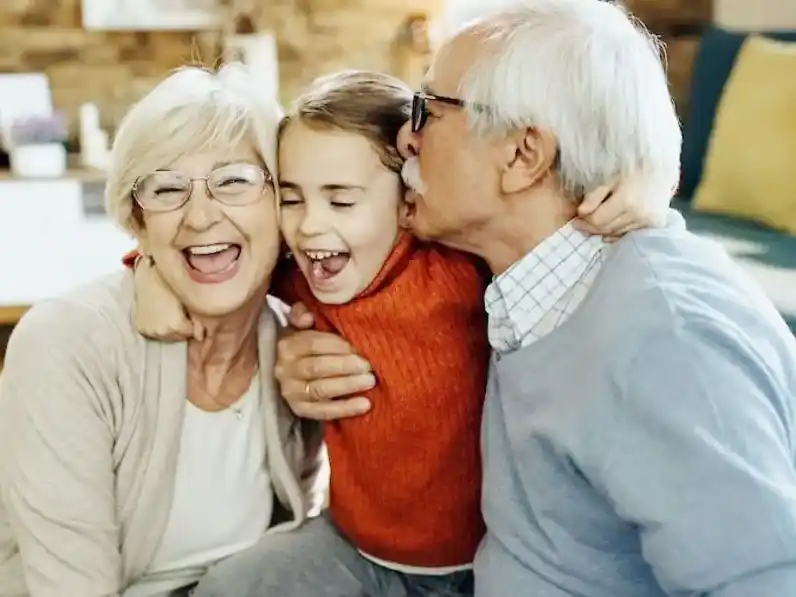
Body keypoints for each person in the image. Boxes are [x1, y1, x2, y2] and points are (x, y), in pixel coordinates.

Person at [272, 0, 796, 596]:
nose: (406, 138)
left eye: (429, 111)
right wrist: (294, 344)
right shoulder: (517, 273)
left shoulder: (664, 342)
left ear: (524, 156)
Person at [127, 65, 658, 596]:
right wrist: (149, 269)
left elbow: (555, 228)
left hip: (483, 560)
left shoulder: (455, 267)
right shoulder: (304, 273)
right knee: (229, 587)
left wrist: (643, 184)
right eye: (291, 199)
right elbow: (218, 260)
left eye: (341, 200)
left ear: (408, 203)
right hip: (355, 547)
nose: (309, 226)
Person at [0, 64, 326, 597]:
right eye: (167, 189)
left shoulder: (293, 345)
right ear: (139, 221)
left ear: (282, 203)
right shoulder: (66, 345)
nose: (199, 217)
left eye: (233, 181)